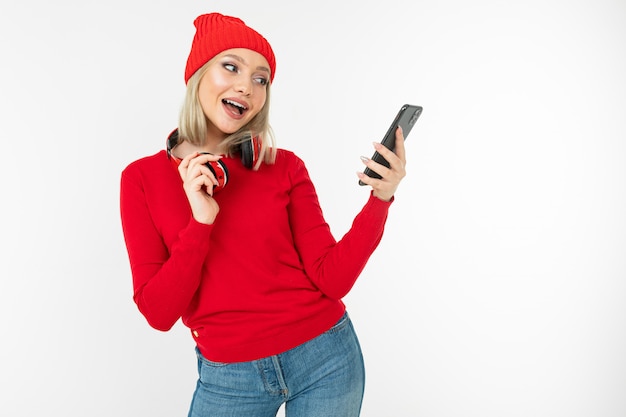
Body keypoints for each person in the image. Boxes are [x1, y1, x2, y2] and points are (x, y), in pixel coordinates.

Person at [120, 12, 406, 417]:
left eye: (261, 79)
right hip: (229, 381)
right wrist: (201, 222)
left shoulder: (284, 166)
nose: (247, 86)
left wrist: (380, 199)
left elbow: (333, 277)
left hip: (326, 358)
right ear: (197, 74)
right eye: (231, 66)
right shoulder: (142, 179)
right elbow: (159, 313)